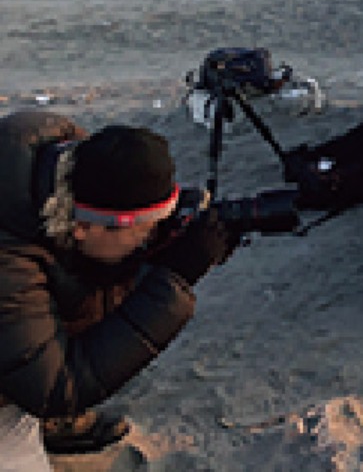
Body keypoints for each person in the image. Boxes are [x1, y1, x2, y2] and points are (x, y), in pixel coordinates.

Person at [0, 113, 240, 466]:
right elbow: (56, 388)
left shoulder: (69, 172)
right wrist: (171, 283)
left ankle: (45, 420)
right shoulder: (9, 261)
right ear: (82, 227)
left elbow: (81, 276)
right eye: (144, 231)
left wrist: (165, 250)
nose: (148, 239)